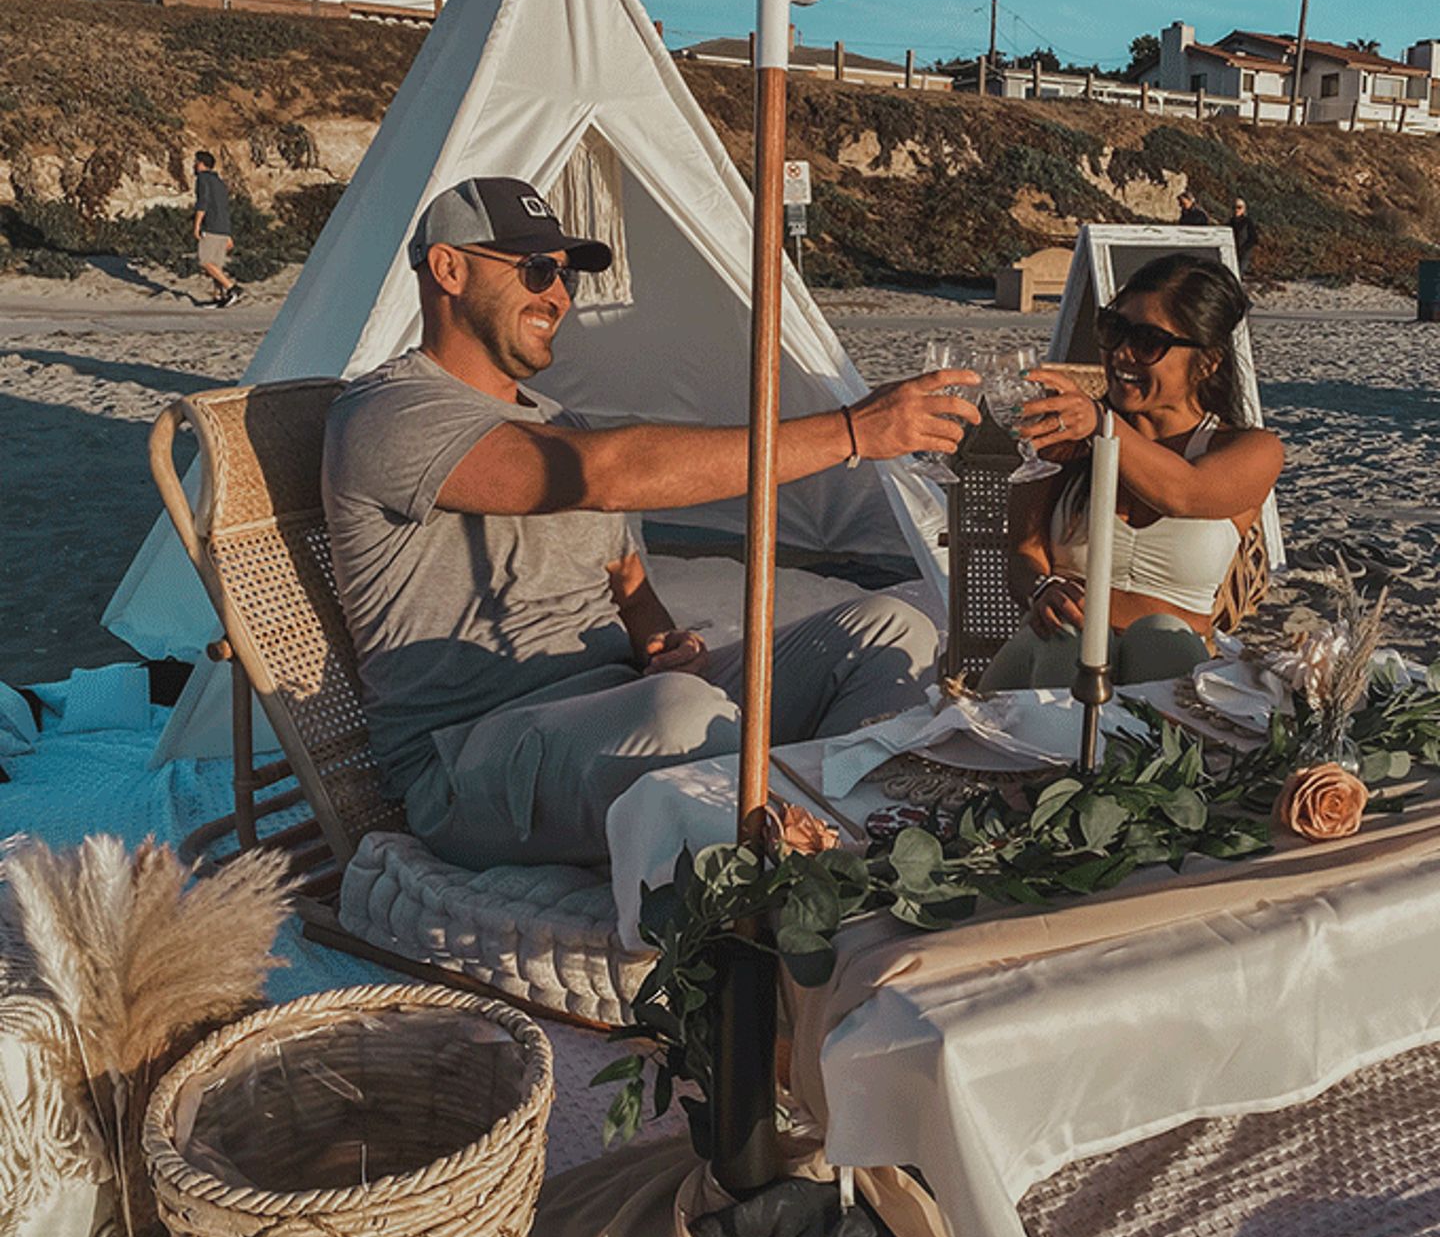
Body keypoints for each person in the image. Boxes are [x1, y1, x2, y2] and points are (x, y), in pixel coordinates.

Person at [323, 176, 981, 870]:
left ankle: (844, 840)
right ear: (449, 268)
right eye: (537, 270)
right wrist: (851, 431)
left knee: (888, 630)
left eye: (566, 276)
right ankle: (804, 858)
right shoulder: (387, 414)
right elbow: (602, 475)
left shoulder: (557, 420)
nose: (559, 296)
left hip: (626, 700)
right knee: (680, 713)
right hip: (470, 760)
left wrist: (663, 640)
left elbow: (627, 580)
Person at [977, 253, 1283, 692]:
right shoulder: (1066, 439)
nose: (1120, 353)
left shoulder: (1250, 450)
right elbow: (1023, 555)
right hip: (1058, 651)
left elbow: (1183, 493)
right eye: (1113, 329)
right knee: (1070, 642)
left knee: (1160, 639)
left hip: (1169, 658)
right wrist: (1041, 589)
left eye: (1147, 342)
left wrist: (1101, 425)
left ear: (1208, 362)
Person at [192, 151, 242, 308]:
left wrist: (197, 225)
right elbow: (224, 206)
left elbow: (203, 202)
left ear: (201, 164)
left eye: (196, 162)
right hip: (223, 226)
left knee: (206, 261)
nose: (194, 165)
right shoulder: (219, 181)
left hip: (212, 225)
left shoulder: (203, 178)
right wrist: (228, 233)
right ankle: (220, 296)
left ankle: (232, 289)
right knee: (216, 264)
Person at [1229, 197, 1258, 275]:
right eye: (1234, 207)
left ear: (1244, 209)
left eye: (1239, 207)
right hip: (1232, 252)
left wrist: (1244, 249)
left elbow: (1253, 238)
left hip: (1244, 253)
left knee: (1240, 273)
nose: (1236, 210)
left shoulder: (1248, 222)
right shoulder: (1230, 222)